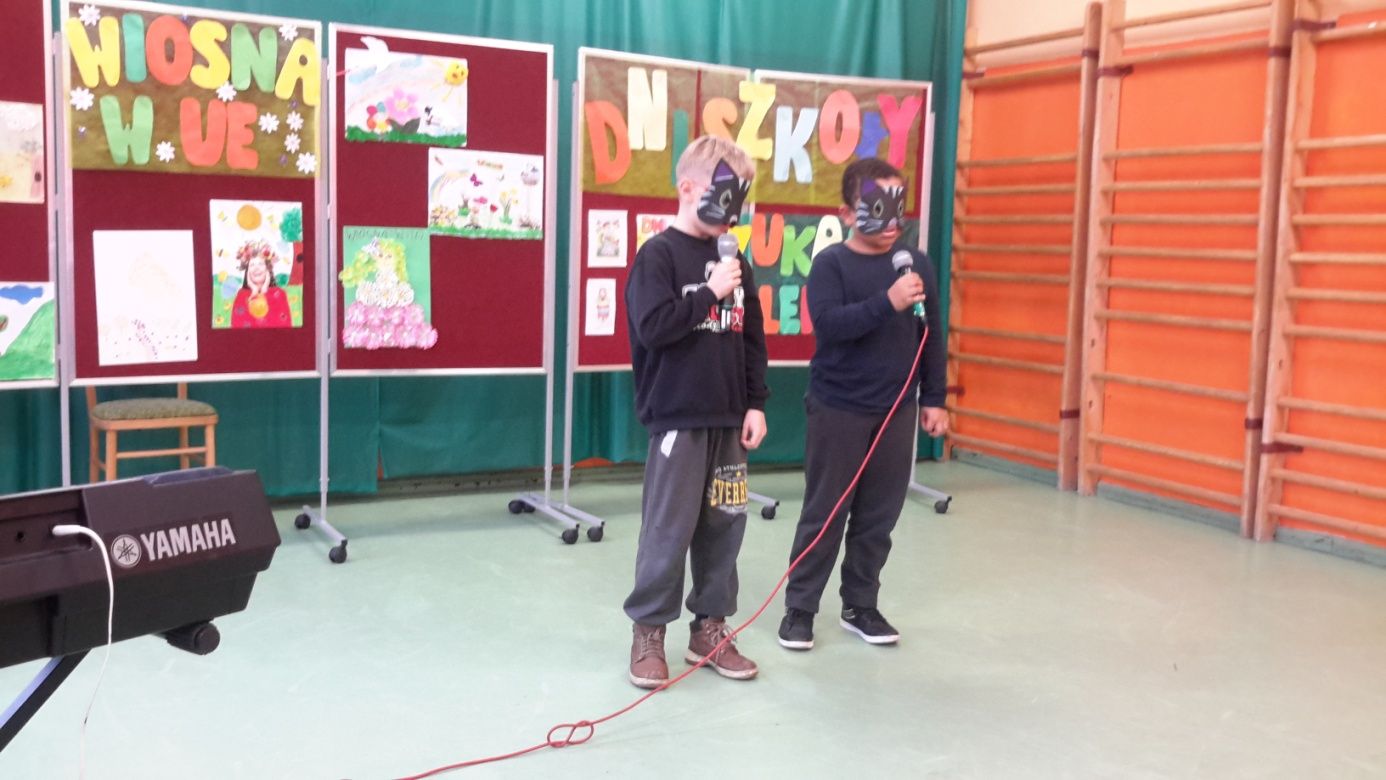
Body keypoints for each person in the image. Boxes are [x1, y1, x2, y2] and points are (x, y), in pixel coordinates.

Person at [777, 157, 947, 651]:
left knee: (878, 516)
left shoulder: (917, 264)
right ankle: (800, 608)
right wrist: (887, 302)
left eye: (898, 206)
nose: (892, 220)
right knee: (825, 512)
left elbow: (931, 334)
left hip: (897, 410)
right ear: (848, 213)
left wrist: (934, 397)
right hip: (839, 408)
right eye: (877, 208)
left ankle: (860, 605)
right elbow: (830, 327)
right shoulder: (831, 264)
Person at [623, 135, 769, 689]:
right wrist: (707, 293)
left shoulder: (736, 262)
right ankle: (649, 630)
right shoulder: (657, 257)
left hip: (728, 419)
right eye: (725, 196)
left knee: (724, 526)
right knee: (669, 527)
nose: (733, 212)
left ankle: (709, 628)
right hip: (677, 417)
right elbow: (653, 328)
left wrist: (755, 403)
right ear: (688, 188)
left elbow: (751, 338)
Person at [231, 240, 292, 328]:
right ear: (247, 271)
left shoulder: (280, 294)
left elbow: (284, 326)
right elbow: (237, 327)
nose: (256, 268)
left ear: (268, 269)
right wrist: (254, 293)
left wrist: (264, 292)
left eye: (260, 264)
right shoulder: (242, 295)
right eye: (252, 265)